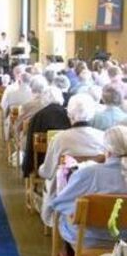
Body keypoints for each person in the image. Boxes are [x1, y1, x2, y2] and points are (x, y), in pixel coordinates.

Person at [50, 125, 127, 256]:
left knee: (64, 215)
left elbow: (59, 203)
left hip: (90, 240)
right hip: (124, 239)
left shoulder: (89, 173)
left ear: (106, 150)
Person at [38, 94, 106, 226]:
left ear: (69, 115)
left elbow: (48, 172)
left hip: (64, 193)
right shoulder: (102, 137)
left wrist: (40, 169)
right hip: (95, 194)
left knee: (51, 179)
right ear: (91, 115)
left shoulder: (60, 138)